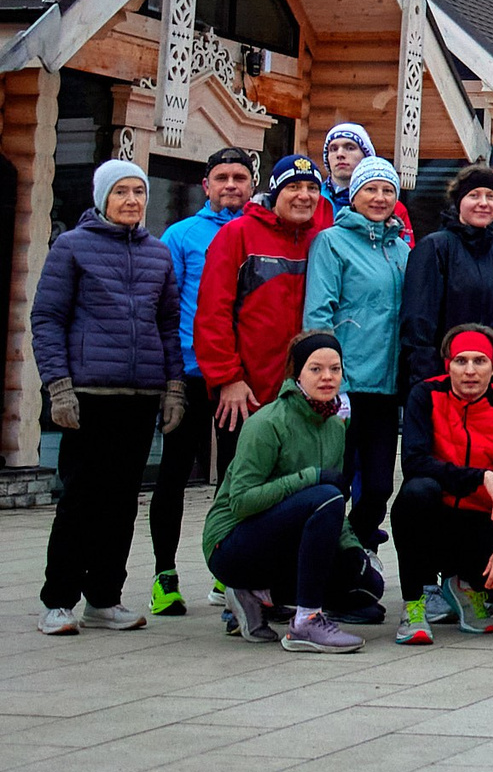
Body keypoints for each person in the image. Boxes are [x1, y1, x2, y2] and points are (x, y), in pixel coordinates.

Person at [34, 157, 181, 635]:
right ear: (102, 198)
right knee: (80, 497)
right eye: (121, 192)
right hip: (88, 394)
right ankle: (58, 600)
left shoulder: (158, 254)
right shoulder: (72, 248)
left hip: (139, 396)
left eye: (139, 192)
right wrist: (58, 388)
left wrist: (173, 387)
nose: (133, 201)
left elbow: (167, 326)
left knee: (121, 502)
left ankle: (104, 597)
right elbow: (47, 320)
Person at [200, 331, 384, 650]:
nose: (327, 377)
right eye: (316, 369)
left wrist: (353, 548)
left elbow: (332, 507)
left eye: (335, 369)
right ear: (296, 373)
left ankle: (259, 596)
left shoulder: (334, 426)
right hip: (230, 545)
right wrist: (309, 477)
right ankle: (305, 622)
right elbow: (241, 502)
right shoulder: (266, 424)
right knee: (324, 493)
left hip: (283, 543)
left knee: (366, 585)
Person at [390, 324, 493, 643]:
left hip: (481, 523)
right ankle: (414, 604)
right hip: (434, 519)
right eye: (460, 361)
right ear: (447, 364)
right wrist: (481, 476)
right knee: (417, 491)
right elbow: (413, 461)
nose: (469, 371)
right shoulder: (425, 396)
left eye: (479, 361)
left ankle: (465, 585)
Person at [149, 145, 257, 615]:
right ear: (206, 186)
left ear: (252, 184)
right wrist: (170, 374)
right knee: (174, 473)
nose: (231, 185)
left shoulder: (258, 232)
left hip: (240, 378)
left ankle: (224, 571)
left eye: (239, 177)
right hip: (191, 376)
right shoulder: (180, 235)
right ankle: (164, 574)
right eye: (222, 178)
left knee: (235, 477)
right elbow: (164, 309)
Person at [302, 154, 410, 549]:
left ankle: (360, 552)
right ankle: (326, 558)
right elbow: (319, 313)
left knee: (379, 486)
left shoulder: (401, 250)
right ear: (354, 194)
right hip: (344, 388)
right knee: (336, 482)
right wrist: (329, 381)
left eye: (387, 190)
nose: (379, 198)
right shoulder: (332, 242)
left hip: (386, 387)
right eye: (370, 189)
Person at [197, 153, 331, 438]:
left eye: (312, 188)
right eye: (293, 187)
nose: (304, 196)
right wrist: (228, 378)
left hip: (304, 394)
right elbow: (213, 313)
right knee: (242, 480)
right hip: (247, 394)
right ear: (275, 191)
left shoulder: (321, 239)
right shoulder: (238, 234)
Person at [398, 165, 493, 397]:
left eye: (491, 196)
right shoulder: (435, 248)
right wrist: (426, 385)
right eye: (474, 195)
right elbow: (417, 321)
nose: (483, 203)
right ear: (459, 201)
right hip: (439, 384)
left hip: (482, 386)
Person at [318, 123, 376, 221]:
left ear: (366, 156)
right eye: (333, 149)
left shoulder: (384, 203)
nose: (340, 154)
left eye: (350, 148)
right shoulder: (312, 199)